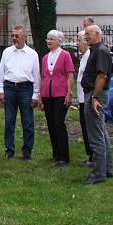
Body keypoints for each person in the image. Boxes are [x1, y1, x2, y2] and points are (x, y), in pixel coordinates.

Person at [0, 25, 41, 160]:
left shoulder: (32, 54)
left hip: (26, 88)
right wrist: (1, 90)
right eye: (13, 35)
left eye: (17, 36)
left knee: (27, 121)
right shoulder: (7, 52)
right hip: (9, 87)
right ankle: (9, 150)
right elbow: (1, 71)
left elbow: (36, 75)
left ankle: (27, 152)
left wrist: (36, 94)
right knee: (9, 121)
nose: (14, 38)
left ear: (24, 37)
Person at [82, 25, 113, 184]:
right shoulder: (97, 50)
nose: (85, 36)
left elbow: (102, 76)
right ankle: (106, 169)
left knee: (96, 136)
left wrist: (94, 97)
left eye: (88, 34)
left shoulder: (100, 51)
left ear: (97, 34)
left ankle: (98, 173)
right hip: (95, 95)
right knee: (101, 133)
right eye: (85, 34)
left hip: (95, 96)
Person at [40, 29, 74, 166]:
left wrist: (69, 92)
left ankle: (64, 156)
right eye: (47, 38)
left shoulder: (65, 55)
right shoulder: (45, 57)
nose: (48, 41)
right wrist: (41, 97)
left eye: (51, 39)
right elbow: (43, 77)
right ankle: (55, 154)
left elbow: (70, 74)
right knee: (50, 124)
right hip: (47, 93)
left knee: (58, 123)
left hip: (60, 93)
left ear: (59, 41)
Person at [75, 30, 94, 166]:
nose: (77, 44)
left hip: (87, 98)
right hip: (82, 98)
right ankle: (90, 155)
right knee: (85, 127)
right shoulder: (84, 57)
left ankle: (93, 156)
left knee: (89, 128)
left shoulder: (89, 56)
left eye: (79, 40)